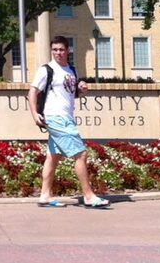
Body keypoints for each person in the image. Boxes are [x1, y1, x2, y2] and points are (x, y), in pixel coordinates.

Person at [27, 35, 110, 209]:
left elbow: (71, 94)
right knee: (80, 154)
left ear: (68, 51)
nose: (58, 53)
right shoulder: (46, 70)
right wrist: (35, 114)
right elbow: (33, 92)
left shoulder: (71, 70)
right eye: (55, 50)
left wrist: (82, 90)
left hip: (66, 117)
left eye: (61, 49)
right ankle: (88, 196)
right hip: (55, 117)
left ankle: (45, 195)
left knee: (53, 156)